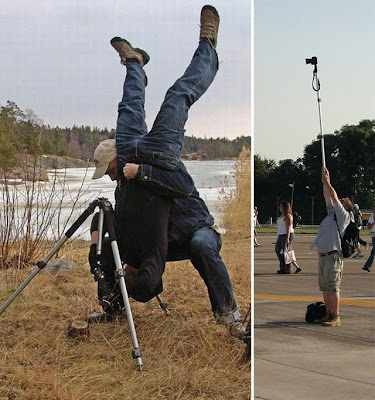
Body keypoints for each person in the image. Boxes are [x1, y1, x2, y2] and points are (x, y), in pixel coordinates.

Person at [87, 6, 244, 337]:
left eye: (110, 169)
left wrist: (141, 172)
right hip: (161, 241)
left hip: (189, 227)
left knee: (176, 96)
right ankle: (136, 63)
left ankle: (207, 44)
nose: (110, 176)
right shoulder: (124, 179)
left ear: (115, 157)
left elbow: (183, 187)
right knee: (130, 105)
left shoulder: (130, 165)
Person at [309, 167, 352, 327]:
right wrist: (324, 182)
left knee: (333, 287)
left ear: (346, 207)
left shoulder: (343, 216)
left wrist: (328, 182)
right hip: (324, 255)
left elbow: (333, 196)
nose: (339, 200)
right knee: (325, 287)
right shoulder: (331, 215)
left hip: (333, 256)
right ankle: (328, 314)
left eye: (343, 201)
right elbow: (327, 196)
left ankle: (335, 316)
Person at [275, 201, 300, 274]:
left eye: (281, 206)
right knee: (278, 250)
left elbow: (288, 227)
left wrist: (287, 238)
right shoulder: (282, 216)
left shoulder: (288, 216)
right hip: (280, 235)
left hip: (286, 234)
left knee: (286, 252)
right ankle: (283, 266)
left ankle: (288, 269)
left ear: (284, 207)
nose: (279, 207)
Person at [362, 205, 375, 272]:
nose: (374, 211)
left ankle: (367, 266)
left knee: (373, 252)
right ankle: (367, 266)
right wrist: (373, 222)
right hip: (373, 234)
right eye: (373, 209)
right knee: (373, 252)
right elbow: (369, 227)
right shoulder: (371, 217)